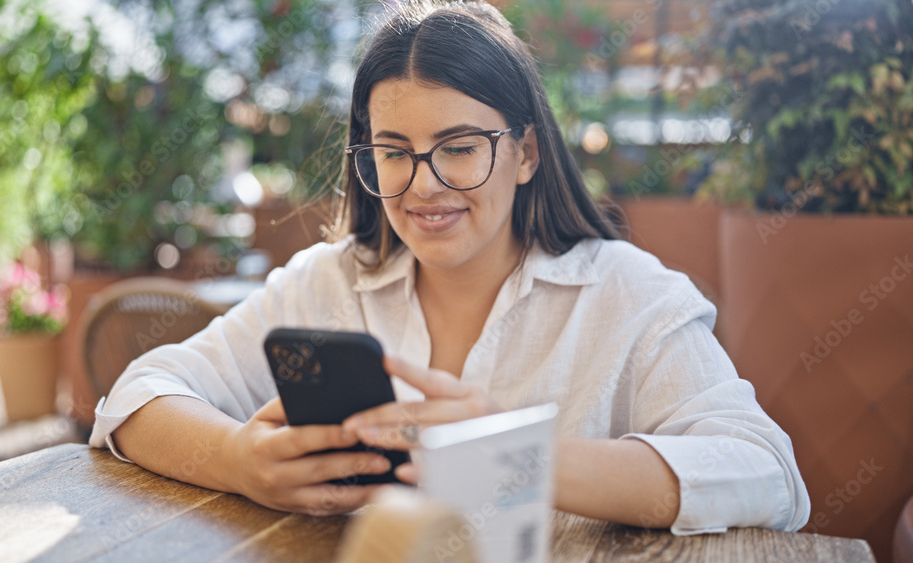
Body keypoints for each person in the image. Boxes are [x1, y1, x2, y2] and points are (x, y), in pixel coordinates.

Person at [90, 0, 810, 534]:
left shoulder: (628, 294)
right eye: (393, 151)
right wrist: (237, 456)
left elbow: (769, 473)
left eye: (459, 147)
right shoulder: (327, 282)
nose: (423, 184)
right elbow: (137, 394)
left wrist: (512, 455)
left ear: (525, 152)